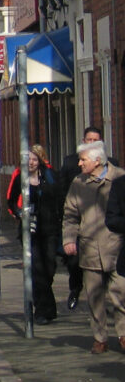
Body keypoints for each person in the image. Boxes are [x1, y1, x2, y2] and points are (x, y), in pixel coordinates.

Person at [62, 141, 125, 353]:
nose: (79, 163)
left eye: (83, 160)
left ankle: (124, 334)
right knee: (94, 297)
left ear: (97, 161)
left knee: (121, 294)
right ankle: (100, 337)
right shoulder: (78, 183)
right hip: (90, 248)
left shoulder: (119, 178)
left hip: (117, 248)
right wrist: (69, 239)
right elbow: (70, 215)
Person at [58, 126, 115, 310]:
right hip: (83, 230)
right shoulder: (72, 165)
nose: (91, 143)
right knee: (75, 264)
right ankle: (75, 289)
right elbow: (65, 198)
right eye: (88, 140)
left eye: (95, 140)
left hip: (109, 234)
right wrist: (69, 234)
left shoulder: (115, 169)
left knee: (113, 279)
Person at [6, 145, 62, 324]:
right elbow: (11, 200)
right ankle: (43, 311)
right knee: (37, 270)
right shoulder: (19, 177)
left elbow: (60, 198)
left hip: (50, 229)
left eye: (34, 159)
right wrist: (19, 213)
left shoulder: (50, 176)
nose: (31, 162)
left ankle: (45, 306)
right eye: (28, 159)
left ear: (40, 161)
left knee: (50, 269)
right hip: (30, 230)